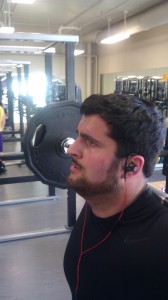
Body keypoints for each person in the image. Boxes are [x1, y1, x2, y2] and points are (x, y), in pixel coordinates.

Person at [64, 93, 168, 300]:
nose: (72, 149)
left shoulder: (162, 240)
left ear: (132, 166)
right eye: (78, 136)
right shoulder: (97, 201)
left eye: (91, 142)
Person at [0, 101, 7, 174]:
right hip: (0, 131)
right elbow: (3, 122)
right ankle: (2, 166)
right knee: (1, 151)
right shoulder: (1, 108)